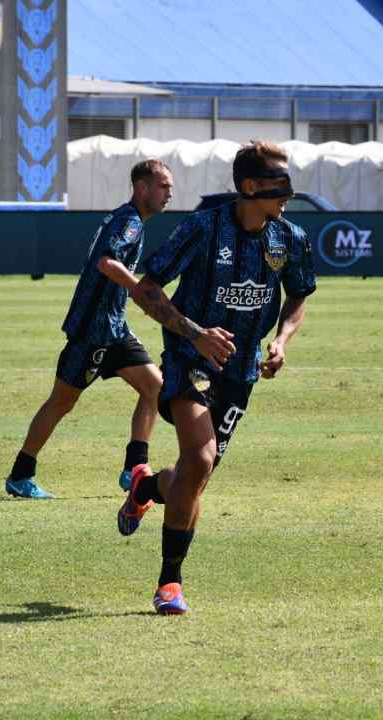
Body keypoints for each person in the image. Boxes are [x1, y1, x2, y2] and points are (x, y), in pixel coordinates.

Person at [119, 140, 317, 615]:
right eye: (279, 184)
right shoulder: (203, 228)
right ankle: (170, 583)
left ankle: (145, 488)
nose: (288, 194)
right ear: (249, 186)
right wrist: (195, 333)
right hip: (189, 360)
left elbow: (298, 296)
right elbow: (146, 289)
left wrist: (281, 341)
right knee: (202, 459)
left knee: (192, 476)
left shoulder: (290, 238)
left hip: (241, 372)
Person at [3, 159, 173, 499]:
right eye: (163, 186)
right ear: (142, 188)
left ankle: (134, 470)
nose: (169, 192)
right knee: (62, 402)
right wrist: (139, 289)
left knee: (155, 387)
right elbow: (106, 262)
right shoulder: (129, 222)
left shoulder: (129, 219)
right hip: (94, 331)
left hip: (114, 328)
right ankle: (21, 475)